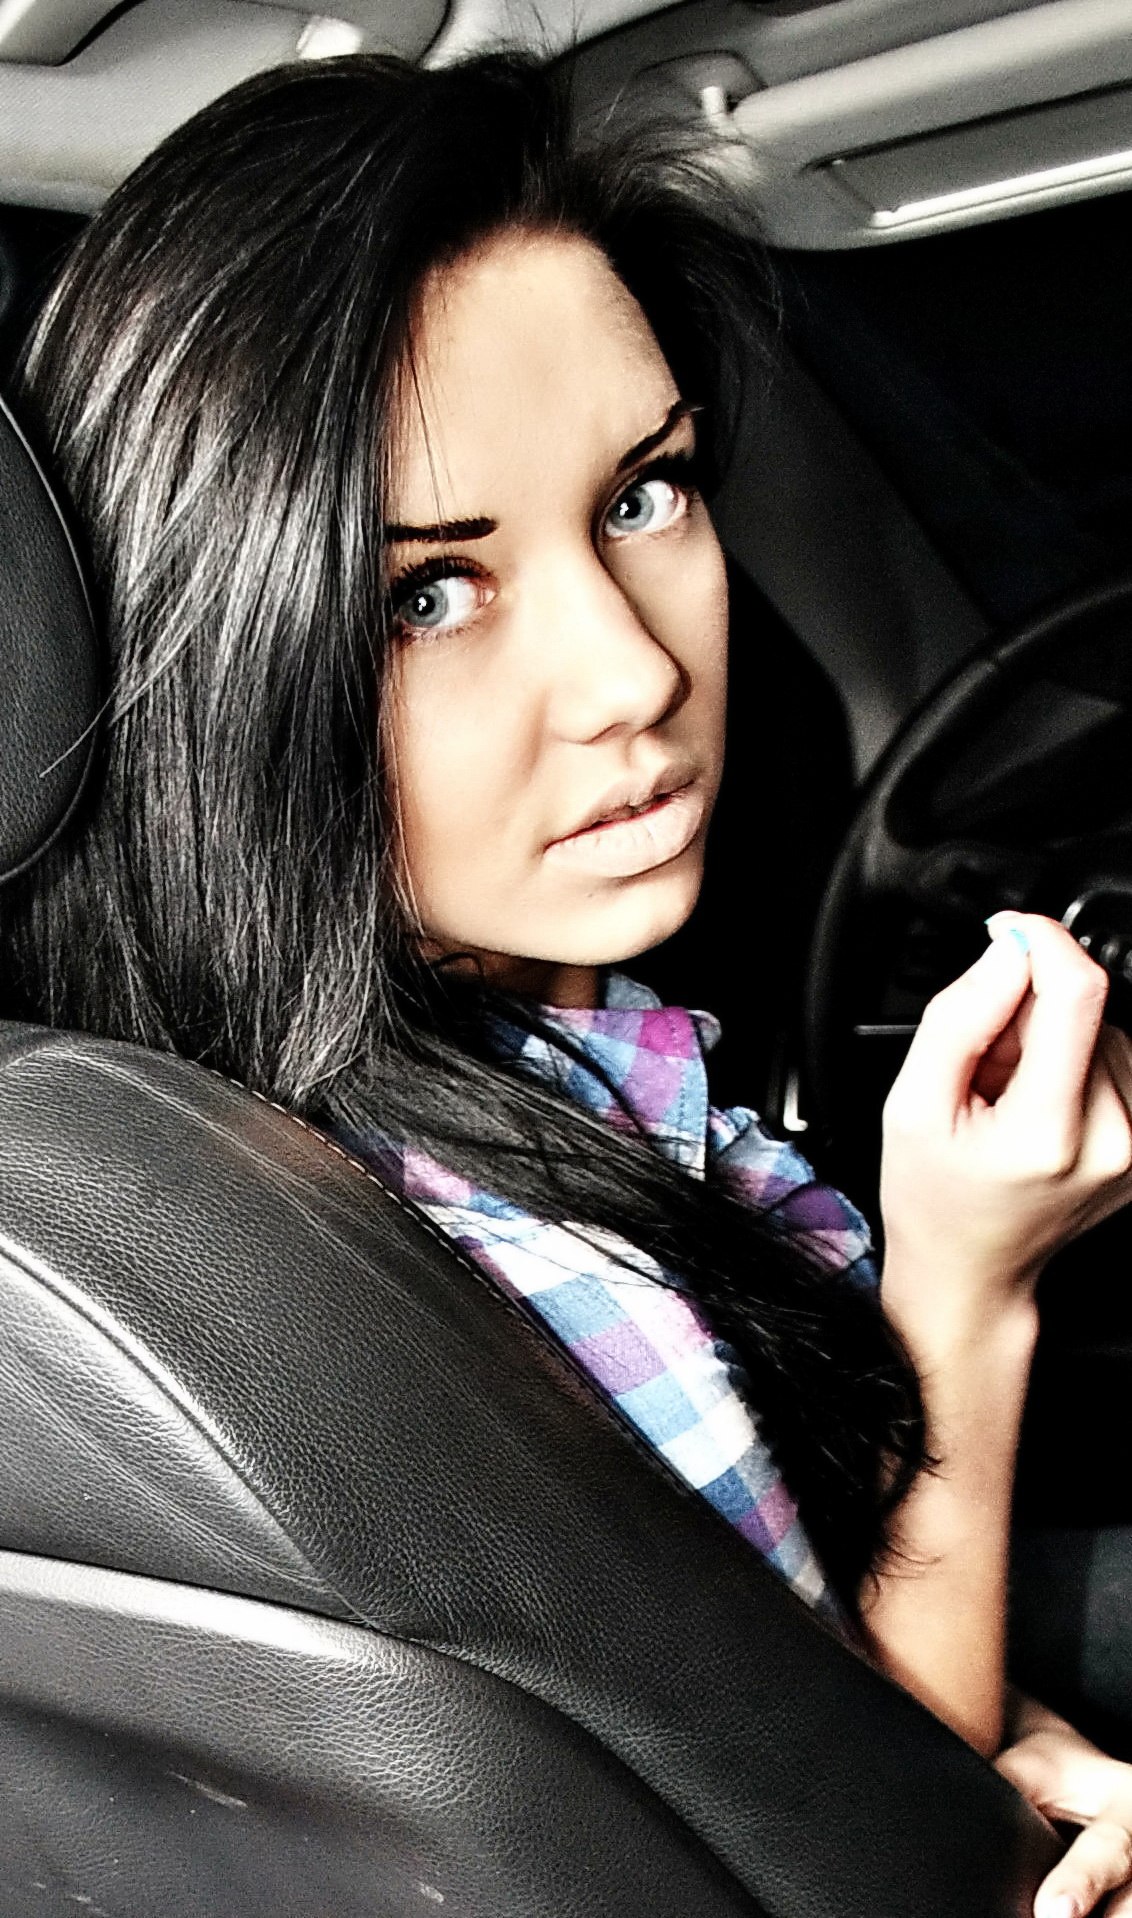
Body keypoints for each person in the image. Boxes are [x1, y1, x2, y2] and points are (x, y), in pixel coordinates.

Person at [2, 47, 1132, 1916]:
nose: (631, 674)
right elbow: (855, 1848)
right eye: (427, 594)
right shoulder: (511, 1259)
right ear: (223, 666)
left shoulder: (171, 1133)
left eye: (645, 494)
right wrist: (971, 1284)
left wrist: (1007, 1744)